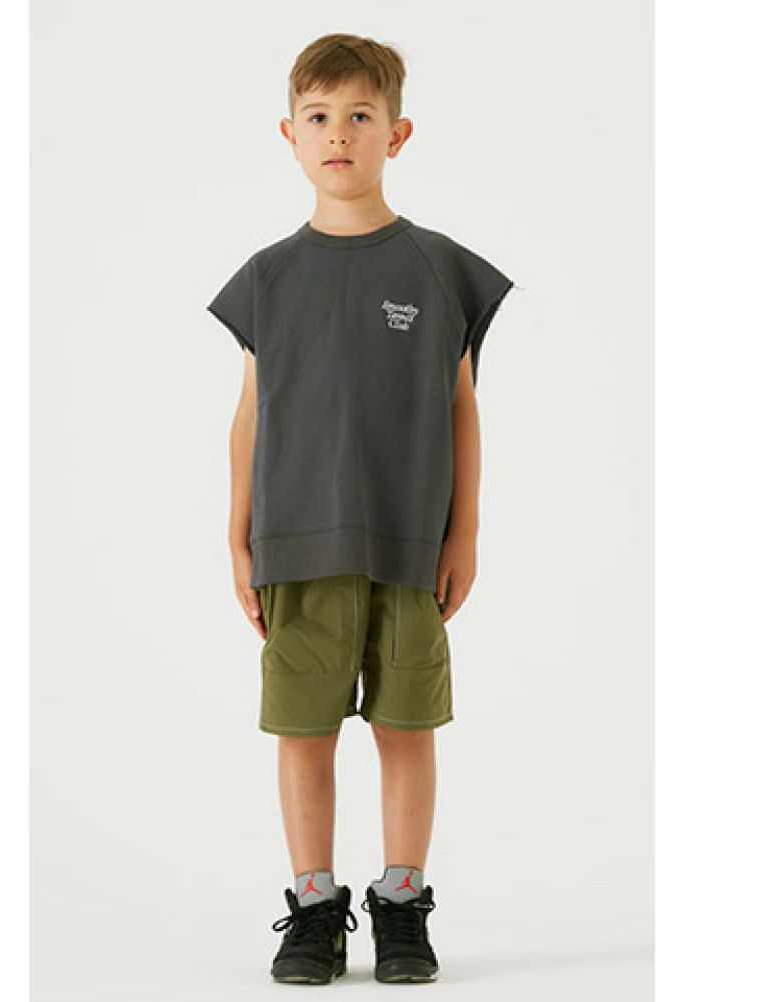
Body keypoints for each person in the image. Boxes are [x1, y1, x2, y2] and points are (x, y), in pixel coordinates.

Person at [206, 33, 516, 985]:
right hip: (297, 544)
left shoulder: (438, 268)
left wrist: (464, 531)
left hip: (410, 546)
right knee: (303, 732)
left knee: (406, 727)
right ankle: (312, 910)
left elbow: (462, 409)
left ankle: (402, 905)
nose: (338, 134)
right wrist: (237, 535)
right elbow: (251, 415)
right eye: (319, 117)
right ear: (290, 135)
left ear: (398, 132)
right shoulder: (268, 277)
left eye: (359, 116)